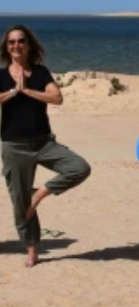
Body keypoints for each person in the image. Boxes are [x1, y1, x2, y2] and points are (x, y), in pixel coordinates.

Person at [0, 25, 91, 268]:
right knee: (20, 202)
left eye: (21, 41)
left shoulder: (40, 73)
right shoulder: (1, 76)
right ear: (7, 48)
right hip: (14, 146)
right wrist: (14, 91)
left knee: (79, 167)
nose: (16, 45)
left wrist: (28, 90)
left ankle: (38, 193)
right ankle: (32, 250)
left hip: (43, 143)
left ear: (29, 45)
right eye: (11, 42)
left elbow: (57, 97)